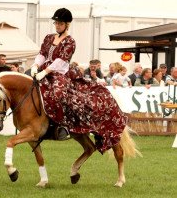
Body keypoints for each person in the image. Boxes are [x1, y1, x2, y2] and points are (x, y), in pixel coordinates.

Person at [31, 8, 127, 153]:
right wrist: (35, 65)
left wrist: (45, 71)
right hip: (42, 71)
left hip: (59, 74)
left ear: (67, 25)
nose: (57, 26)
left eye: (60, 23)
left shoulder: (70, 41)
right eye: (56, 23)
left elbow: (60, 61)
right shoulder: (49, 38)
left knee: (58, 94)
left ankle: (62, 126)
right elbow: (42, 54)